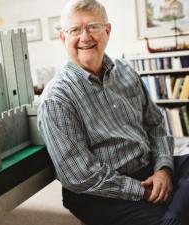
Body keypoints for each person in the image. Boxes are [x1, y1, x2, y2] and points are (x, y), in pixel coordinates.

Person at [37, 0, 189, 225]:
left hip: (148, 169)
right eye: (75, 30)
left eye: (93, 27)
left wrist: (163, 169)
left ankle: (173, 216)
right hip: (100, 194)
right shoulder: (56, 98)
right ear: (63, 38)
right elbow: (79, 175)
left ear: (107, 31)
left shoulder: (126, 71)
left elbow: (155, 125)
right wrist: (142, 191)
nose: (85, 37)